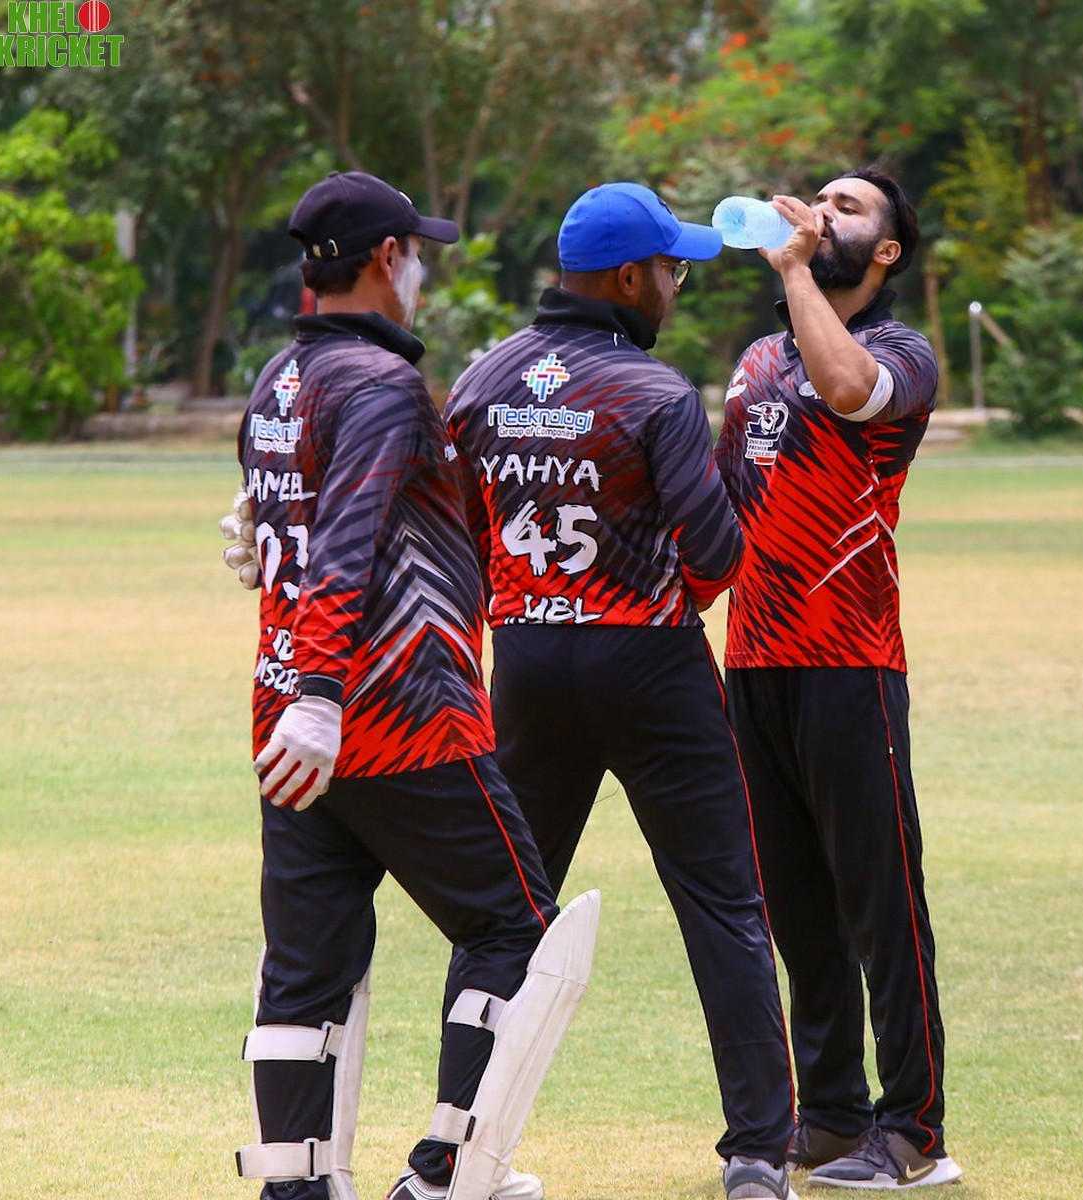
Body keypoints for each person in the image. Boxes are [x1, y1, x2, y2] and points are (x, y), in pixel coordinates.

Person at [225, 170, 599, 1200]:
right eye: (418, 254)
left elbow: (286, 523)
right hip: (397, 712)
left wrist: (300, 685)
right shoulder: (383, 384)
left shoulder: (277, 378)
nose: (421, 272)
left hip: (288, 721)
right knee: (514, 929)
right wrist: (324, 694)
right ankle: (449, 1171)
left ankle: (295, 1185)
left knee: (306, 965)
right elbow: (347, 544)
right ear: (387, 259)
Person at [444, 182, 797, 1200]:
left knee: (504, 915)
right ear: (631, 278)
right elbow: (716, 556)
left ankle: (454, 1147)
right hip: (649, 664)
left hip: (526, 665)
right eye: (672, 270)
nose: (676, 287)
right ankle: (755, 1155)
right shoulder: (653, 391)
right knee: (723, 904)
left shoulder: (479, 380)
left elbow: (458, 539)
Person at [715, 167, 962, 1190]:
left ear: (886, 250)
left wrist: (792, 271)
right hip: (752, 662)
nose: (821, 213)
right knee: (795, 908)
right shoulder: (756, 359)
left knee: (880, 904)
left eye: (847, 207)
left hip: (849, 660)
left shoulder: (901, 353)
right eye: (817, 198)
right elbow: (719, 502)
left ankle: (911, 1131)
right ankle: (825, 1115)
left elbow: (851, 391)